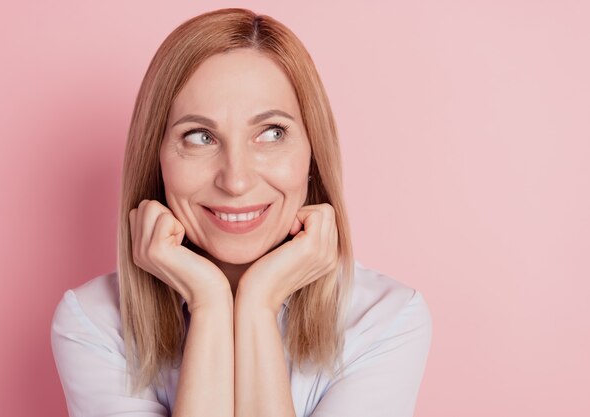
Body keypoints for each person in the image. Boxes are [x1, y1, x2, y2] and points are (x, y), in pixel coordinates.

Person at [50, 7, 433, 417]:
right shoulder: (93, 324)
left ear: (312, 154)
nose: (235, 180)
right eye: (200, 136)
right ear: (156, 157)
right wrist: (210, 304)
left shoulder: (385, 320)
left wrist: (257, 303)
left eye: (271, 133)